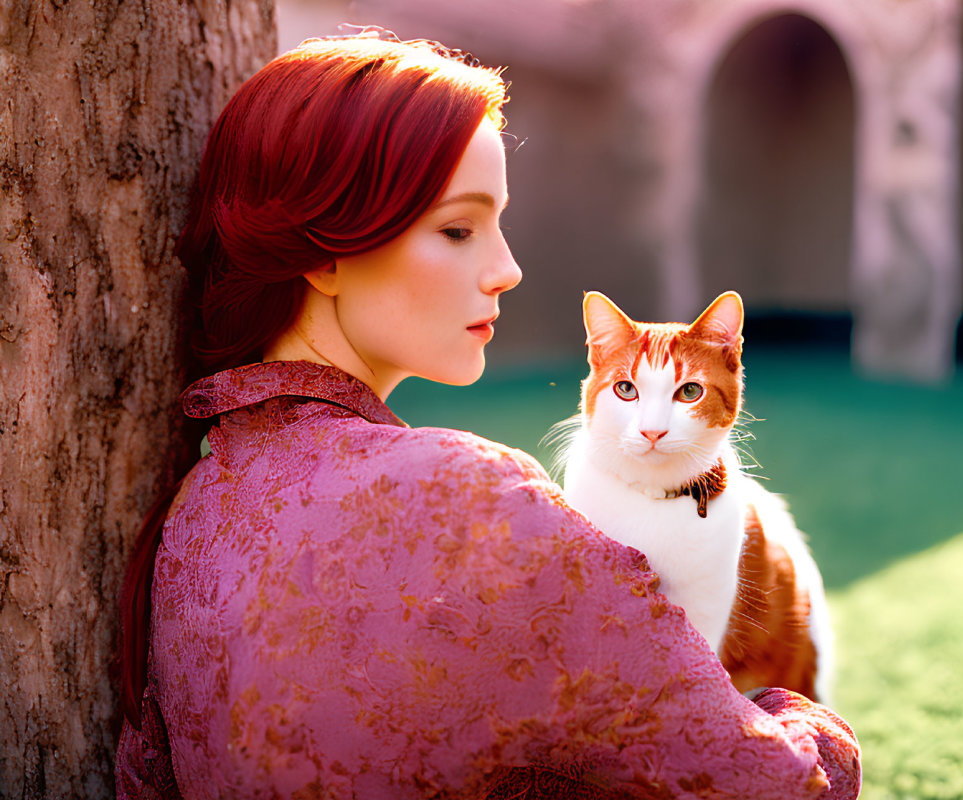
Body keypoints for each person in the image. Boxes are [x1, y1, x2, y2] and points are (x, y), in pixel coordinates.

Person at [116, 26, 861, 800]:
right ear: (326, 254)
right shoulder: (469, 500)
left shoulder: (193, 511)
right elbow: (780, 784)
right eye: (459, 229)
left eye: (498, 223)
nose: (506, 270)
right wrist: (796, 716)